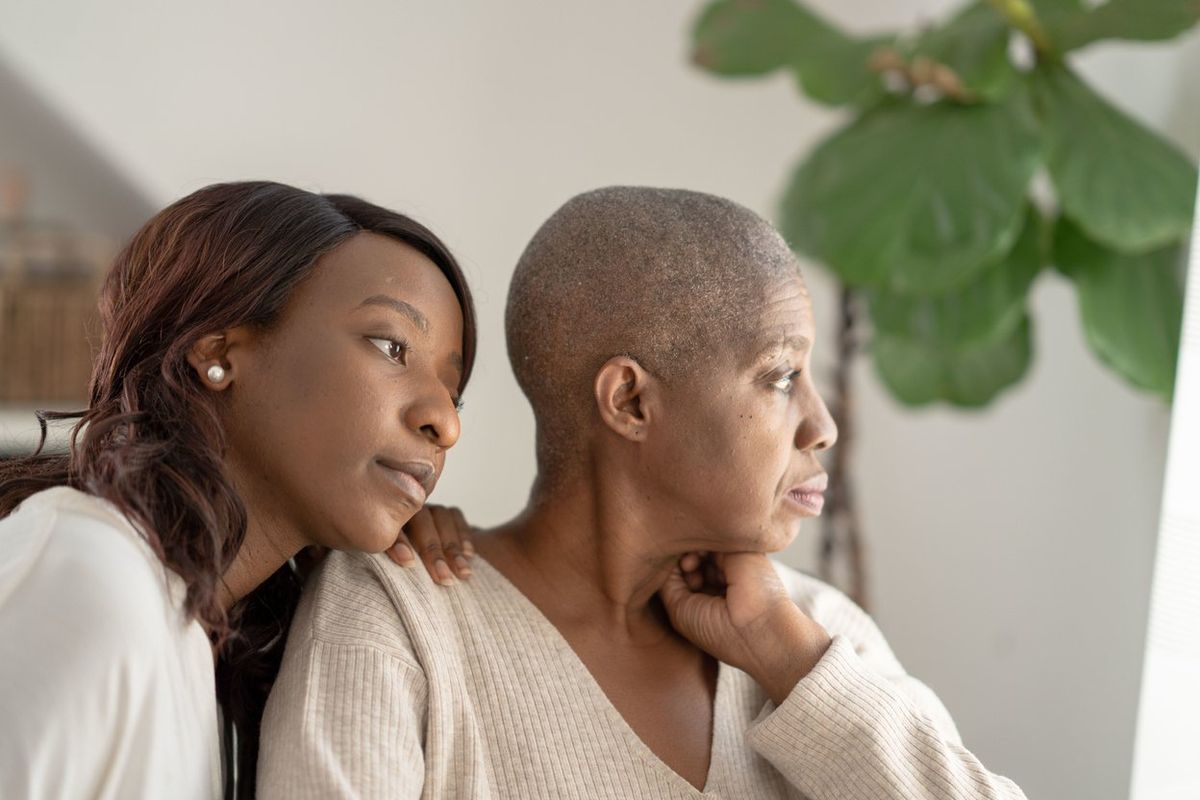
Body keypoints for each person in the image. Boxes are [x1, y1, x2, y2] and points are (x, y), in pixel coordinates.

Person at [260, 186, 1028, 799]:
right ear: (629, 401)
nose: (821, 426)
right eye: (781, 376)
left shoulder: (819, 635)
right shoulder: (401, 617)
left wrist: (793, 665)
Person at [0, 181, 479, 800]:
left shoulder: (214, 655)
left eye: (454, 388)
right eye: (392, 347)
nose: (446, 422)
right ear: (219, 351)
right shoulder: (89, 570)